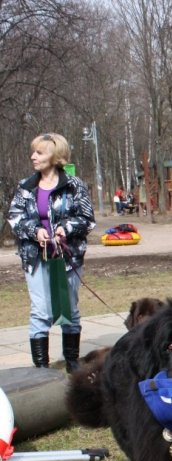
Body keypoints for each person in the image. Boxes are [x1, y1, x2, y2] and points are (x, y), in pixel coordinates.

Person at [6, 133, 96, 371]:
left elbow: (87, 219)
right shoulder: (26, 187)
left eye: (39, 152)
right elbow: (15, 218)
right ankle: (41, 368)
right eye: (33, 152)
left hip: (67, 257)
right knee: (40, 311)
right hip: (35, 257)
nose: (33, 157)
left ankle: (72, 363)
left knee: (70, 309)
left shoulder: (74, 185)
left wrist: (64, 229)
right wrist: (35, 231)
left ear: (55, 156)